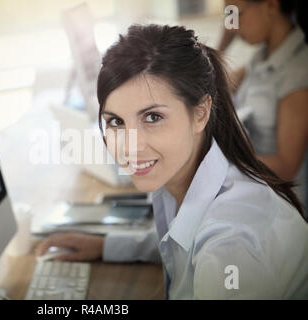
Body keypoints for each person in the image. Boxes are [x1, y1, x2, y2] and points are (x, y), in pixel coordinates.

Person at [36, 24, 308, 299]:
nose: (131, 146)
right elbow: (182, 241)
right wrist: (108, 245)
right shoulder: (188, 175)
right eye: (116, 121)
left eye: (152, 117)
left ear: (200, 114)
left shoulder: (230, 250)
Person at [221, 0, 308, 210]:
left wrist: (224, 160)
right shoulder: (260, 58)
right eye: (228, 16)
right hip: (255, 193)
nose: (232, 25)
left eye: (236, 15)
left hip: (282, 209)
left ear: (270, 6)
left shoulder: (297, 71)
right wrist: (221, 44)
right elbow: (217, 85)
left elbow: (287, 167)